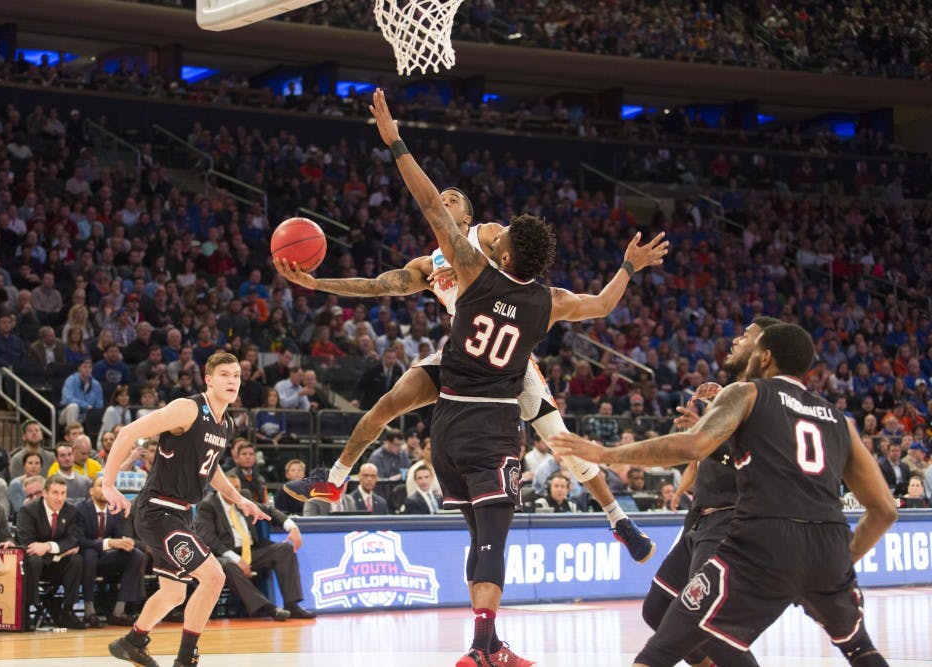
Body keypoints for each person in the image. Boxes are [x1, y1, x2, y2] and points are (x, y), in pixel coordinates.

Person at [279, 95, 667, 571]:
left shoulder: (487, 236)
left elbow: (522, 267)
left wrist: (398, 145)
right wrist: (317, 283)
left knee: (561, 441)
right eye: (442, 197)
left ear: (466, 216)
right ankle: (335, 479)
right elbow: (378, 286)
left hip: (508, 363)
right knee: (387, 404)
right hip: (463, 358)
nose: (444, 201)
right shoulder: (429, 265)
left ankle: (618, 518)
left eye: (453, 199)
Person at [550, 323, 898, 667]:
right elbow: (884, 509)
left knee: (663, 650)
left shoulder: (748, 393)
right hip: (829, 544)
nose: (740, 343)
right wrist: (842, 563)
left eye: (751, 342)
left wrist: (605, 453)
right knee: (860, 650)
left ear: (765, 356)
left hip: (763, 540)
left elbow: (692, 446)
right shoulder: (840, 419)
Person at [102, 351, 267, 667]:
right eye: (224, 375)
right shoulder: (187, 409)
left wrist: (240, 499)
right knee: (214, 577)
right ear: (208, 379)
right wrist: (108, 484)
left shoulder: (225, 424)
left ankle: (133, 641)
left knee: (174, 594)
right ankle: (185, 659)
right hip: (158, 510)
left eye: (236, 375)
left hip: (180, 514)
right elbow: (128, 432)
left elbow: (211, 468)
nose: (232, 381)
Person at [633, 317, 779, 667]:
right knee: (657, 609)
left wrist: (701, 434)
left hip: (729, 523)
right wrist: (708, 420)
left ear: (765, 352)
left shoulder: (764, 398)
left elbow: (746, 461)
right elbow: (708, 455)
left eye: (747, 336)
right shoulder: (733, 393)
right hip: (700, 521)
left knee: (710, 625)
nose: (737, 339)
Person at [194, 469, 316, 620]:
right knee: (227, 566)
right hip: (225, 554)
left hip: (252, 551)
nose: (234, 491)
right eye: (231, 487)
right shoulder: (208, 504)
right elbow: (207, 538)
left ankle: (292, 605)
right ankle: (268, 608)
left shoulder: (243, 497)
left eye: (237, 487)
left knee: (285, 549)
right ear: (220, 487)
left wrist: (292, 527)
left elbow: (269, 510)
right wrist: (237, 560)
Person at [15, 475, 87, 629]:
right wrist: (59, 552)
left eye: (63, 493)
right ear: (45, 493)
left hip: (56, 566)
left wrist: (48, 546)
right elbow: (27, 543)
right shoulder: (28, 511)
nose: (60, 498)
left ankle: (68, 611)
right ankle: (26, 612)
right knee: (34, 559)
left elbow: (73, 540)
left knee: (76, 560)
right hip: (34, 566)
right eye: (55, 493)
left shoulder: (71, 511)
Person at [77, 476, 145, 628]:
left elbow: (119, 536)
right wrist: (109, 543)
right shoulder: (81, 509)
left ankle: (119, 611)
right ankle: (89, 611)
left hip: (107, 559)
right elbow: (80, 540)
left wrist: (126, 542)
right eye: (101, 485)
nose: (105, 490)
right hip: (84, 560)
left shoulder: (115, 509)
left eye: (109, 486)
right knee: (89, 553)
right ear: (91, 491)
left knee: (135, 554)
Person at [60, 358, 105, 426]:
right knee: (73, 407)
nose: (87, 369)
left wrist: (92, 413)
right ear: (79, 368)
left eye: (89, 367)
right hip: (67, 413)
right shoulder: (71, 380)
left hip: (87, 415)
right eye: (84, 367)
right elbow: (68, 399)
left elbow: (99, 404)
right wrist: (85, 405)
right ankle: (73, 431)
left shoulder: (96, 384)